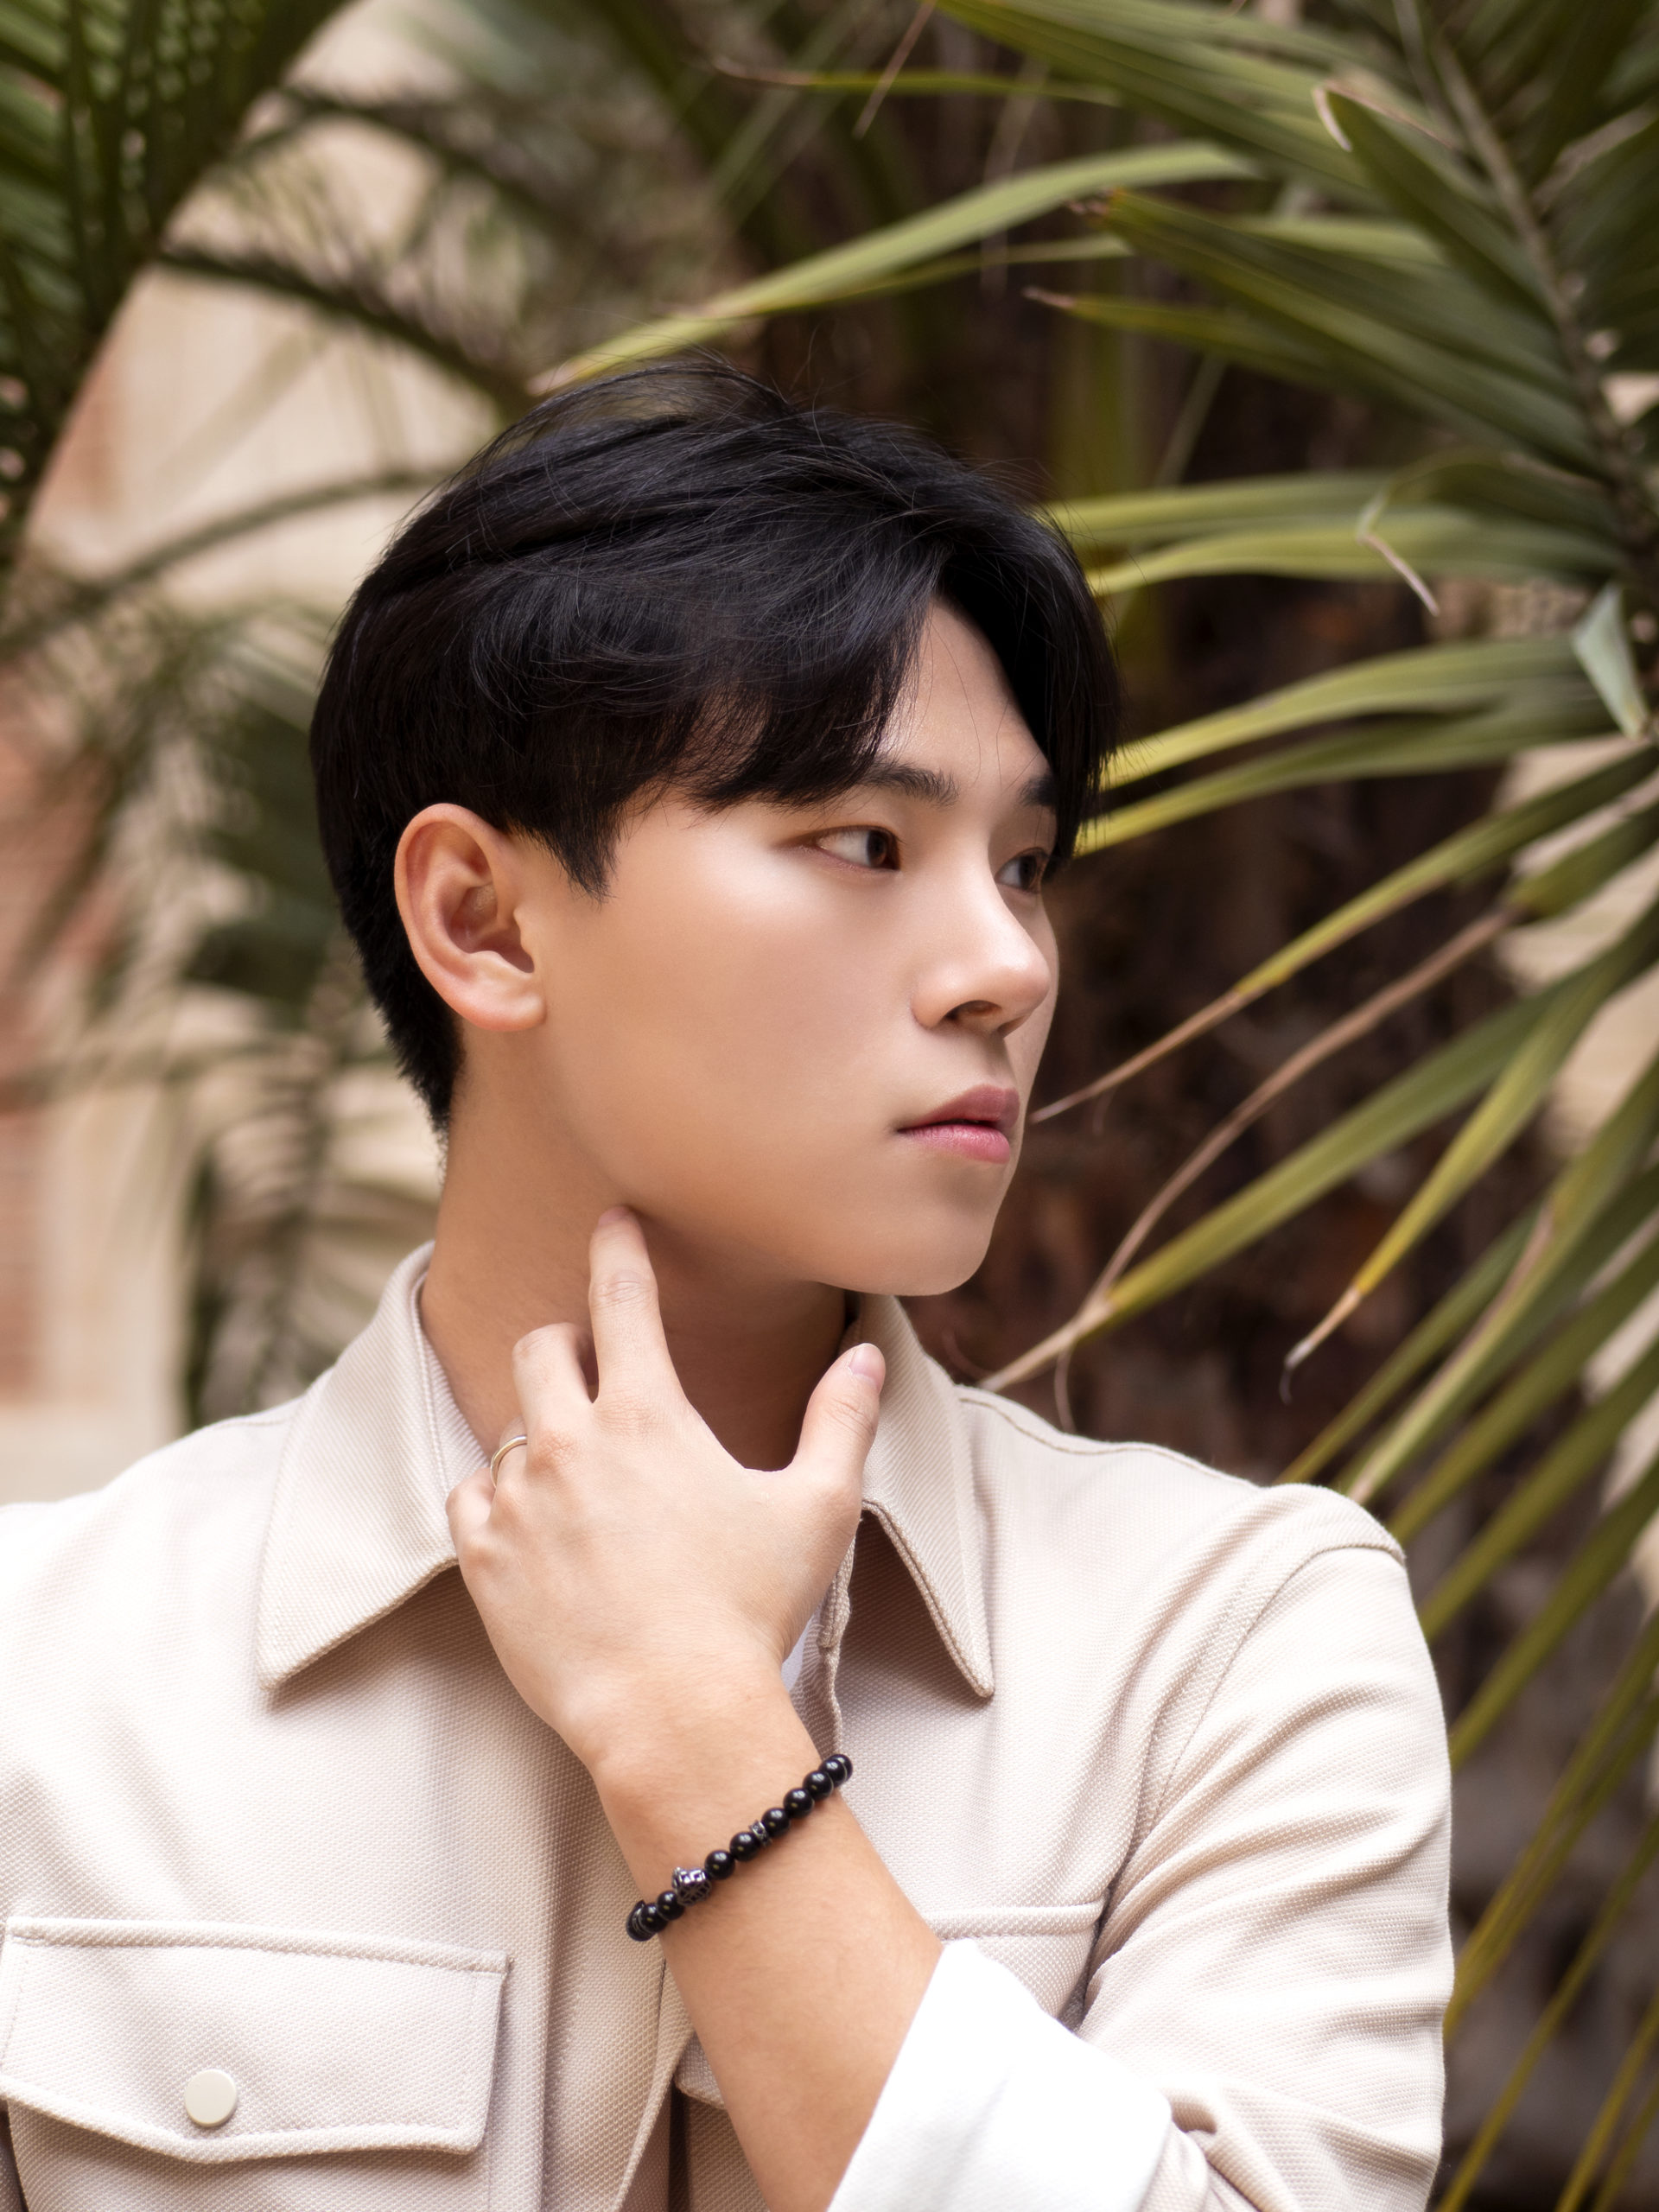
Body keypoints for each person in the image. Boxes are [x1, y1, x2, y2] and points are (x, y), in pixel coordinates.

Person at [0, 366, 1451, 2212]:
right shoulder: (48, 1671)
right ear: (481, 919)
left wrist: (701, 1730)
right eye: (866, 843)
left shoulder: (1227, 1646)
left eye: (1023, 864)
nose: (1008, 965)